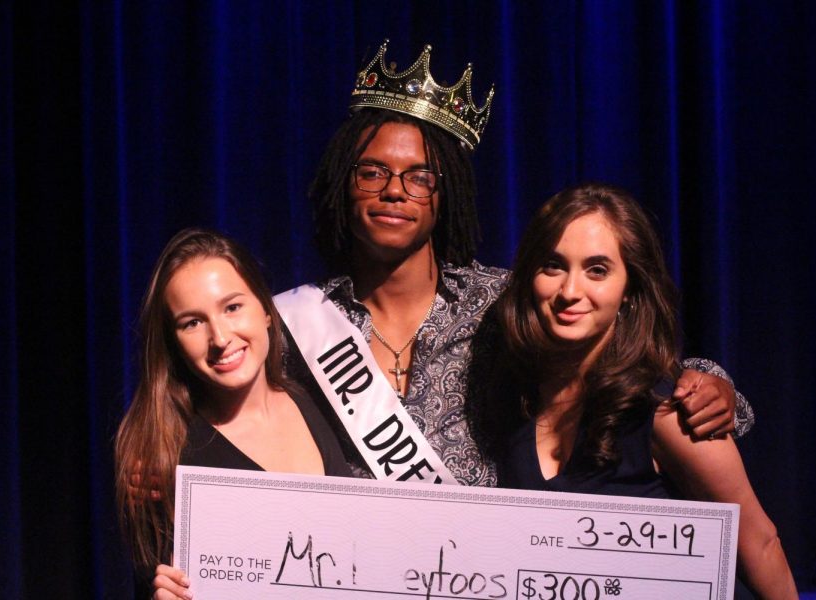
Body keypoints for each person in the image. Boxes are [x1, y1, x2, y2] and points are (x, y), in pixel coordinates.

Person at [280, 40, 752, 488]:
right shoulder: (294, 326)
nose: (395, 190)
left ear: (447, 196)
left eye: (420, 176)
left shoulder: (503, 300)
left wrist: (710, 383)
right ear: (344, 183)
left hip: (485, 563)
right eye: (372, 172)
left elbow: (631, 361)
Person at [494, 183, 796, 598]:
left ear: (629, 291)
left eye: (597, 270)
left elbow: (760, 543)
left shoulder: (667, 409)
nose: (569, 291)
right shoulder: (514, 399)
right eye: (553, 265)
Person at [114, 229, 351, 599]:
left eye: (232, 307)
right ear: (173, 342)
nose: (220, 337)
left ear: (266, 311)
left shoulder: (313, 400)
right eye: (192, 322)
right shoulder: (164, 455)